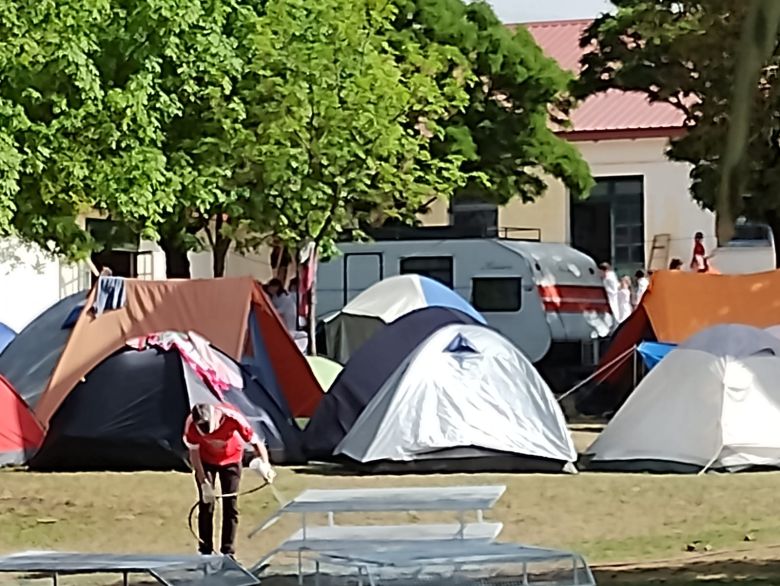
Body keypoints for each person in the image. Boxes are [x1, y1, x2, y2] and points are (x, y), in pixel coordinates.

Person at [184, 402, 275, 556]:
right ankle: (205, 552)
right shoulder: (191, 425)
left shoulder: (233, 417)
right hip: (206, 462)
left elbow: (256, 442)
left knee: (230, 506)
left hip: (232, 461)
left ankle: (228, 552)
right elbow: (194, 454)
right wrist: (203, 482)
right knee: (207, 505)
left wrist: (266, 465)